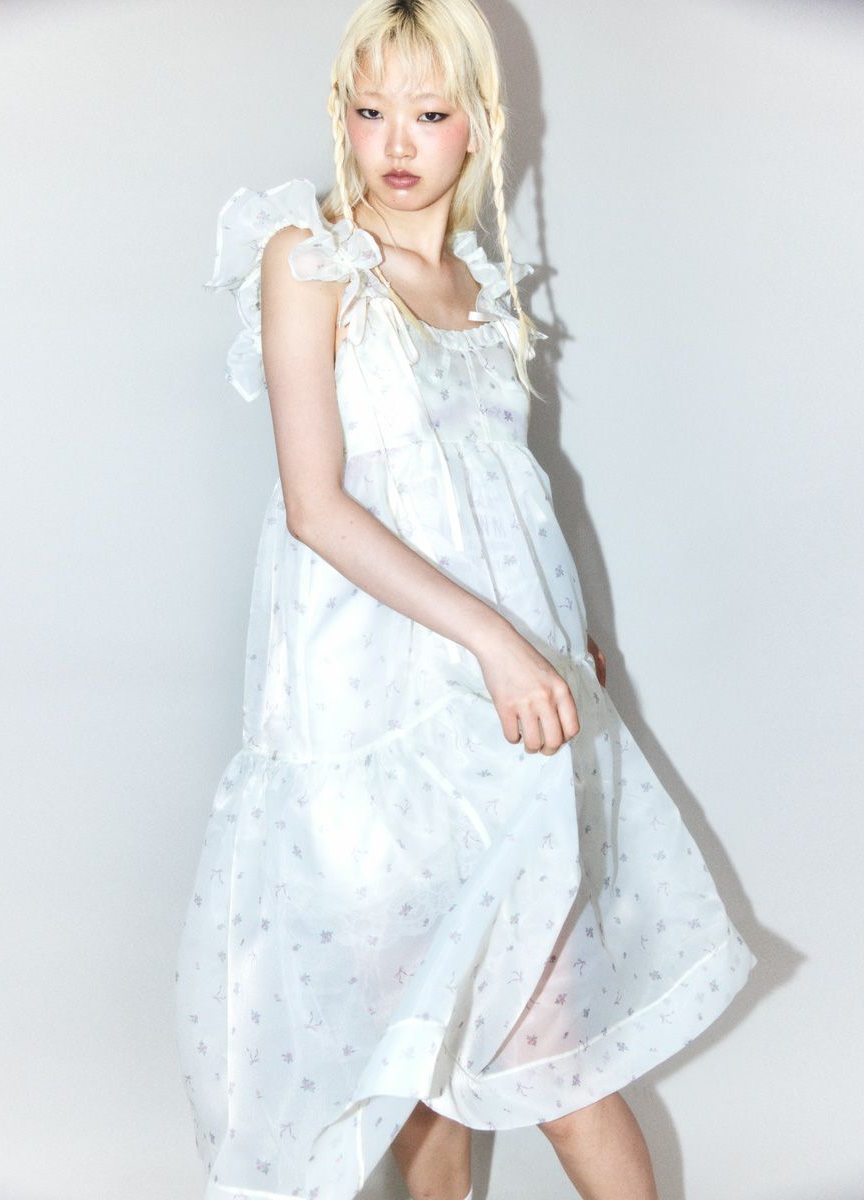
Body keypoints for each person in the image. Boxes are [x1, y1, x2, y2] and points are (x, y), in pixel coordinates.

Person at [174, 2, 758, 1199]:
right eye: (370, 109)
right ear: (340, 115)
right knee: (420, 1060)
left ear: (479, 126)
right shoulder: (310, 259)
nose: (396, 141)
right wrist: (500, 642)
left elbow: (500, 499)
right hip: (364, 726)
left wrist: (558, 637)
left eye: (430, 112)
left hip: (488, 719)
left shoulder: (480, 297)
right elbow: (315, 506)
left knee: (549, 1051)